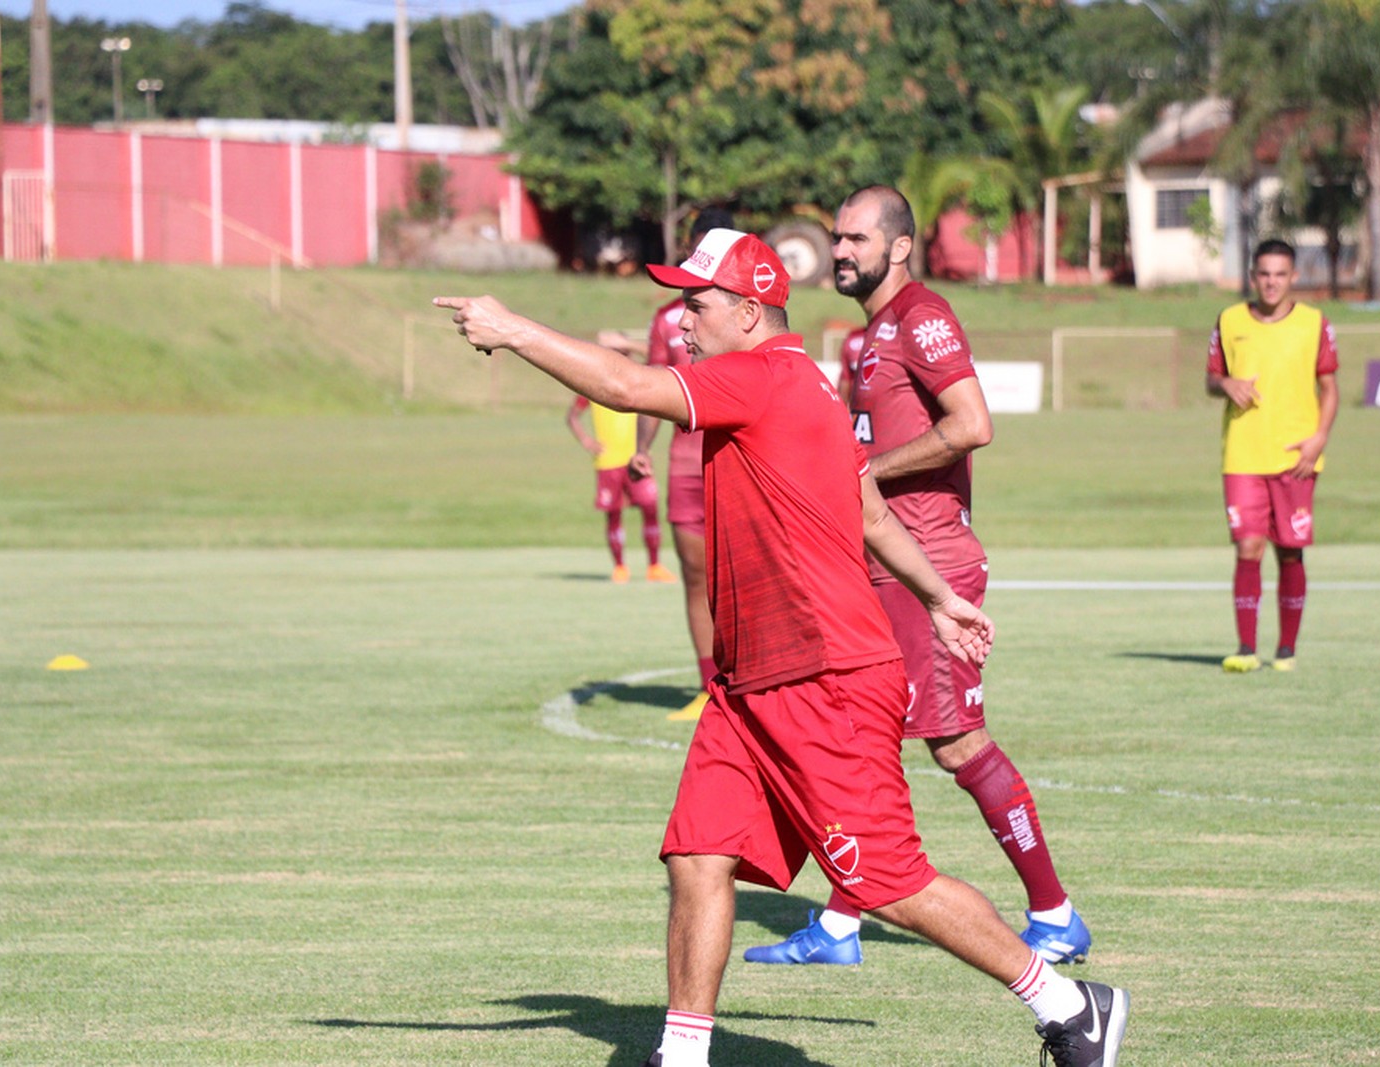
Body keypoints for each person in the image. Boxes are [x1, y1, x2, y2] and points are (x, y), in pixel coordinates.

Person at [435, 228, 1129, 1067]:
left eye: (695, 303)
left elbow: (624, 385)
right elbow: (868, 512)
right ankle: (683, 1055)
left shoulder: (763, 377)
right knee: (697, 855)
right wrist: (939, 597)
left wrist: (514, 330)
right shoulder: (803, 381)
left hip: (825, 678)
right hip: (750, 685)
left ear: (751, 310)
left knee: (891, 884)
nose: (681, 318)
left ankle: (1068, 1002)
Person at [745, 185, 1090, 970]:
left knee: (958, 742)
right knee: (859, 736)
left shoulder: (924, 317)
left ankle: (1055, 912)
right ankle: (838, 926)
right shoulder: (865, 335)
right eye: (835, 237)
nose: (839, 250)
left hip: (928, 561)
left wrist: (861, 468)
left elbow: (972, 426)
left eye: (856, 239)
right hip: (881, 563)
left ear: (899, 246)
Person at [609, 208, 736, 721]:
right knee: (694, 577)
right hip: (685, 466)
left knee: (742, 577)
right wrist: (642, 447)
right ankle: (710, 688)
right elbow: (653, 388)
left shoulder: (746, 313)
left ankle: (750, 683)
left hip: (734, 463)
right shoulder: (669, 318)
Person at [1205, 237, 1340, 673]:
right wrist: (1228, 385)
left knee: (1289, 552)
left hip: (1295, 456)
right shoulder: (1229, 320)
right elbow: (1212, 378)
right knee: (1248, 547)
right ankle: (1246, 649)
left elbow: (1330, 388)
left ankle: (1286, 649)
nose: (1271, 282)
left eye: (1280, 274)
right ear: (1252, 276)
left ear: (1294, 277)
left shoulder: (1314, 323)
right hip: (1243, 455)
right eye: (1264, 274)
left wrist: (1319, 437)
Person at [564, 386, 673, 585]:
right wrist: (587, 441)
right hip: (608, 462)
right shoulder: (594, 383)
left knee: (650, 507)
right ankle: (620, 567)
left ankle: (654, 566)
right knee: (614, 513)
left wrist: (644, 446)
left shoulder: (636, 380)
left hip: (636, 457)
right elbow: (572, 416)